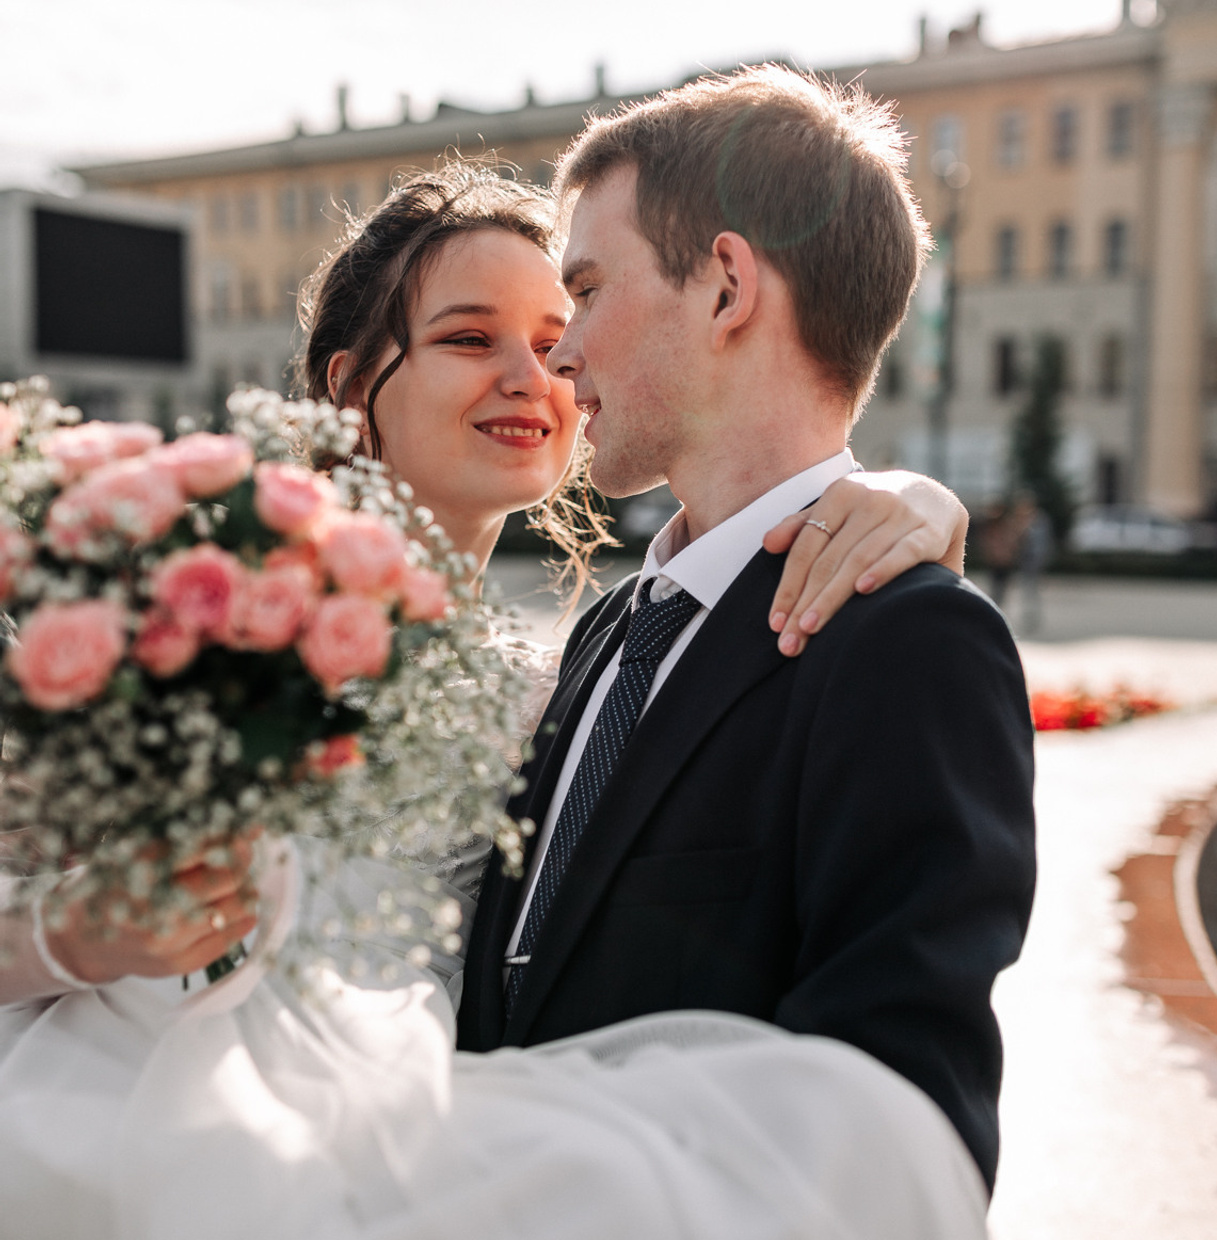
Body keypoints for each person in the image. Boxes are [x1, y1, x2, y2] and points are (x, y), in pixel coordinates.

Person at [0, 159, 990, 1237]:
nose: (536, 372)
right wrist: (78, 936)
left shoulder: (558, 685)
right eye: (472, 339)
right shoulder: (180, 602)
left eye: (557, 334)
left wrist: (903, 494)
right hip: (113, 1106)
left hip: (403, 1149)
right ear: (347, 384)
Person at [457, 68, 1037, 1196]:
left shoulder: (908, 646)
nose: (560, 356)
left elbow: (896, 1133)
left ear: (724, 286)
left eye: (585, 288)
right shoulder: (609, 631)